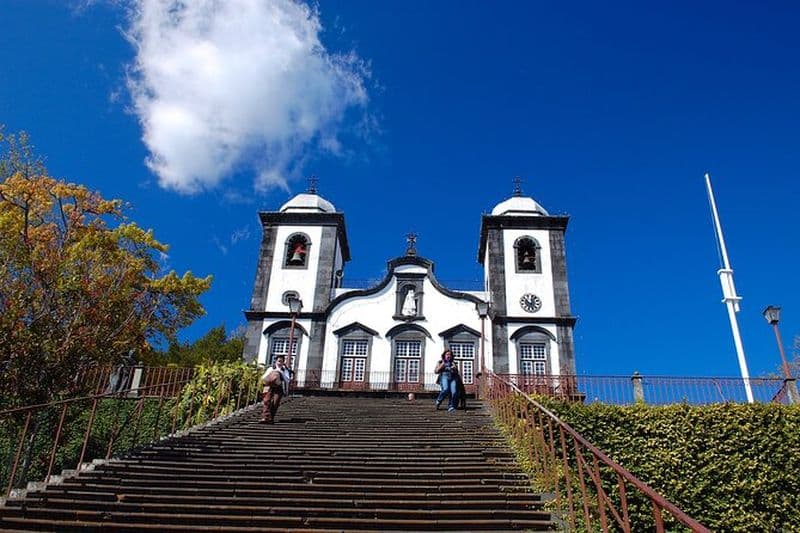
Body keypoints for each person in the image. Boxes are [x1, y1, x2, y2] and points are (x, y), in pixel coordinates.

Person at [260, 355, 293, 424]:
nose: (280, 363)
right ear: (276, 361)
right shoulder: (271, 368)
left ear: (283, 362)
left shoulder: (285, 370)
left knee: (275, 402)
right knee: (266, 401)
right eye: (278, 361)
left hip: (279, 387)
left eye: (281, 361)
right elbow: (263, 377)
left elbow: (288, 380)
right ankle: (265, 417)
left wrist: (281, 373)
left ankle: (271, 417)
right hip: (269, 386)